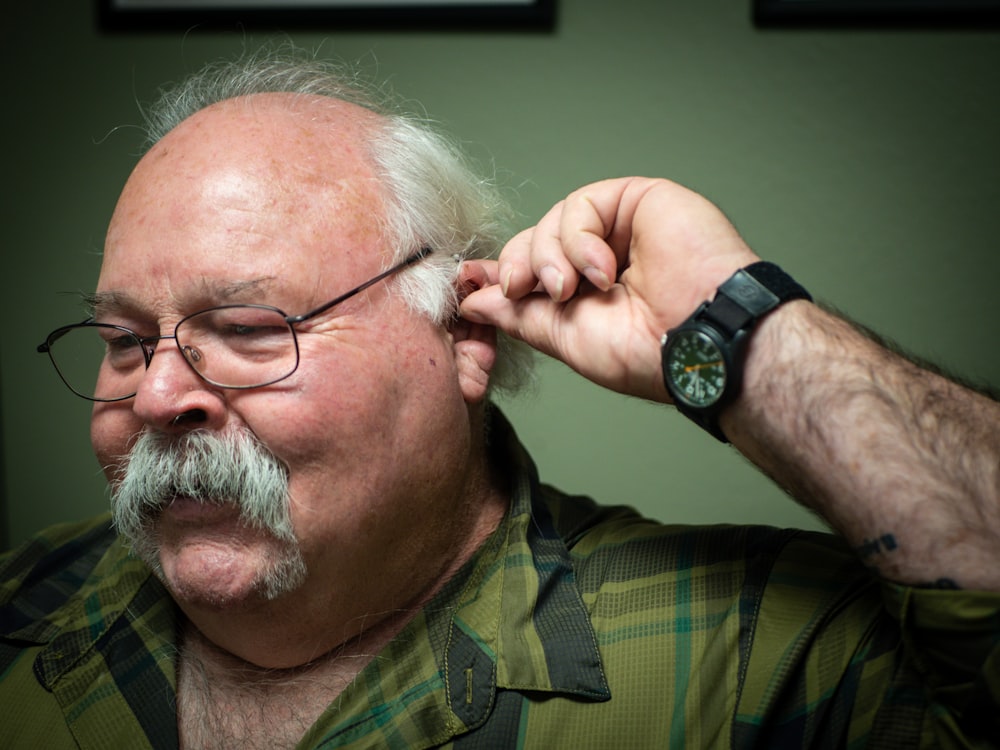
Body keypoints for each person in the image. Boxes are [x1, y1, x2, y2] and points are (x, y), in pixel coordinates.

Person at [2, 48, 998, 749]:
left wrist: (744, 334)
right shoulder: (21, 614)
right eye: (125, 343)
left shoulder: (750, 657)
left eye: (252, 330)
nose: (159, 393)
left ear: (465, 333)